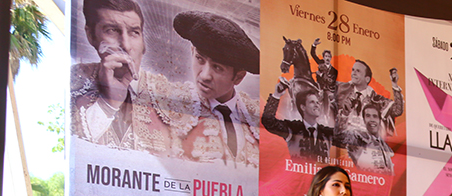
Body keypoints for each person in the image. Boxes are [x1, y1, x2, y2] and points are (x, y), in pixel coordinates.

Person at [70, 0, 170, 151]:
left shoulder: (172, 94)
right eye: (112, 30)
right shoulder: (74, 79)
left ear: (143, 41)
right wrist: (107, 104)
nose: (126, 45)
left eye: (134, 32)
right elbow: (73, 148)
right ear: (90, 35)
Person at [170, 11, 260, 167]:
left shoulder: (256, 116)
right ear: (192, 52)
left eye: (217, 68)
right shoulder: (170, 103)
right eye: (200, 59)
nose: (205, 76)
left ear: (238, 77)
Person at [333, 60, 403, 139]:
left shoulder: (376, 100)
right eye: (353, 70)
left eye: (358, 71)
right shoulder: (342, 90)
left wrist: (394, 84)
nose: (353, 73)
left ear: (367, 79)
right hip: (342, 141)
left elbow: (397, 110)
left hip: (366, 145)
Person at [262, 83, 332, 160]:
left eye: (318, 102)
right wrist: (277, 95)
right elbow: (269, 122)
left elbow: (345, 138)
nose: (317, 105)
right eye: (312, 102)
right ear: (303, 107)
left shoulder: (326, 133)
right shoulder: (293, 129)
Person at [343, 103, 394, 173]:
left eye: (375, 116)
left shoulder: (385, 146)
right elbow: (340, 135)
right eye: (368, 116)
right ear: (364, 120)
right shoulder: (359, 138)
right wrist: (344, 115)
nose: (372, 119)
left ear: (379, 120)